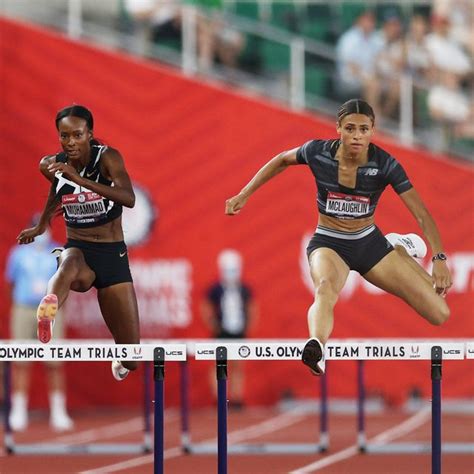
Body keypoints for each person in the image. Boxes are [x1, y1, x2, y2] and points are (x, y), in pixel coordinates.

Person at [225, 98, 452, 376]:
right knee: (324, 287)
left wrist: (439, 257)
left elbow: (422, 214)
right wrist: (244, 194)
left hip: (370, 244)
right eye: (350, 128)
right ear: (338, 129)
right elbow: (282, 159)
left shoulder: (385, 164)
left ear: (372, 130)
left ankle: (398, 248)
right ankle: (316, 346)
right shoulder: (316, 152)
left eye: (364, 129)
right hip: (329, 242)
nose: (357, 136)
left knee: (439, 314)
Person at [16, 104, 140, 381]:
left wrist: (79, 180)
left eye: (77, 135)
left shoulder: (108, 158)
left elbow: (128, 198)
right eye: (64, 136)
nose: (70, 142)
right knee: (69, 264)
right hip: (79, 248)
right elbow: (56, 192)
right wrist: (41, 225)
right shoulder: (52, 165)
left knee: (132, 359)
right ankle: (48, 309)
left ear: (90, 134)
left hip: (112, 256)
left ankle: (121, 358)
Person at [6, 215, 74, 431]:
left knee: (54, 361)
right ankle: (18, 411)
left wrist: (58, 308)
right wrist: (20, 302)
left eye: (45, 228)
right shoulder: (18, 253)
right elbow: (11, 282)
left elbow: (65, 283)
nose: (42, 232)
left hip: (50, 310)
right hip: (24, 309)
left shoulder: (58, 253)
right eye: (38, 228)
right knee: (20, 360)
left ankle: (58, 412)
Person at [201, 249, 257, 408]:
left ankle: (237, 398)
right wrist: (212, 323)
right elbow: (205, 306)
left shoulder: (244, 289)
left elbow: (252, 307)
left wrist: (249, 326)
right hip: (221, 332)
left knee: (238, 365)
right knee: (218, 365)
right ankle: (219, 397)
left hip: (239, 332)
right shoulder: (216, 288)